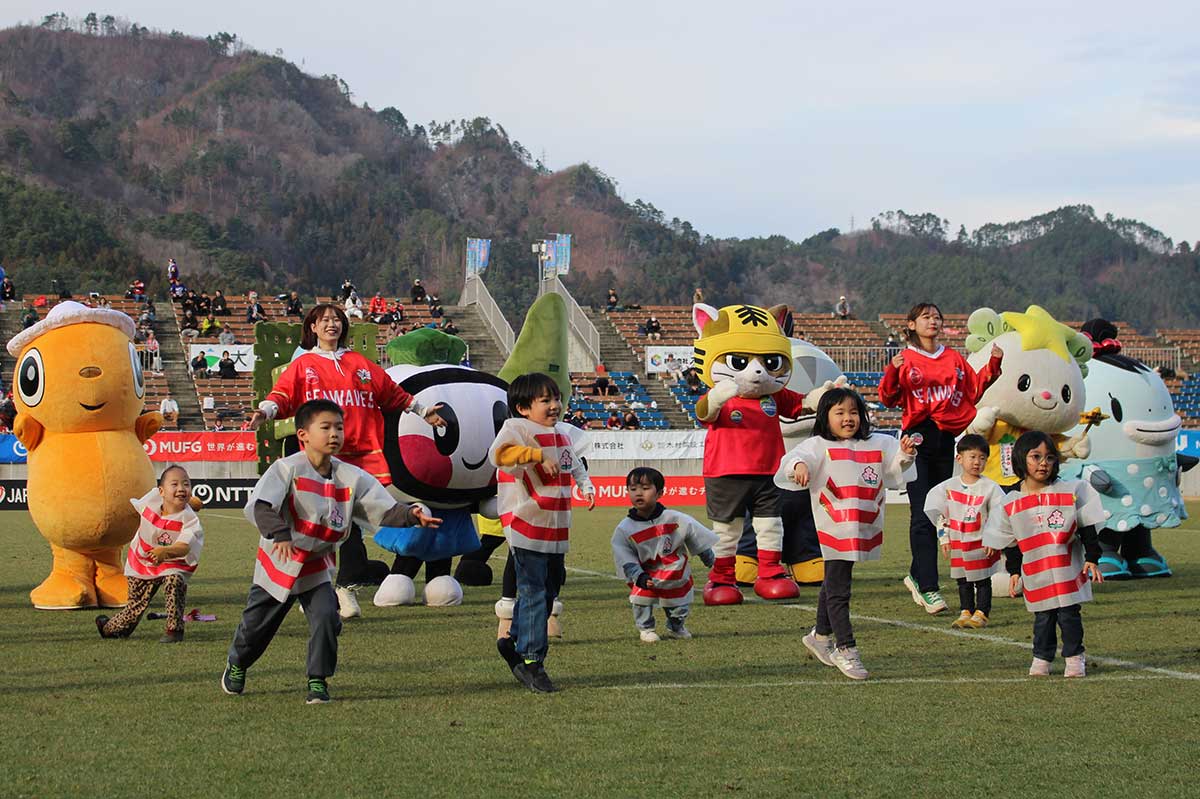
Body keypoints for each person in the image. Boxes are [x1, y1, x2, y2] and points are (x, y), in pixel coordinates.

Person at [222, 399, 441, 703]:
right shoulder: (287, 468)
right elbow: (262, 506)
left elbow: (380, 508)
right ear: (303, 435)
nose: (334, 433)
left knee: (326, 616)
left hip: (317, 564)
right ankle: (238, 663)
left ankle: (317, 680)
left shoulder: (351, 476)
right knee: (257, 626)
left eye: (339, 426)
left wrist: (410, 515)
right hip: (280, 561)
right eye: (325, 427)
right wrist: (281, 534)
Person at [249, 304, 446, 617]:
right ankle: (320, 587)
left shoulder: (360, 364)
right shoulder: (303, 365)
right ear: (312, 327)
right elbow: (283, 395)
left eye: (337, 319)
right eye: (324, 319)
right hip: (319, 459)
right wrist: (266, 410)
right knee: (320, 524)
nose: (332, 324)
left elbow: (392, 394)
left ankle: (341, 587)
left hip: (362, 457)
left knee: (350, 522)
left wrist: (424, 411)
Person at [777, 387, 917, 680]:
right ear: (825, 417)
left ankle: (820, 635)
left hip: (862, 523)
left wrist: (905, 453)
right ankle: (846, 647)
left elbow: (895, 468)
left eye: (853, 412)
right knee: (840, 587)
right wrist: (799, 466)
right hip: (834, 526)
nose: (848, 418)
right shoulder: (817, 445)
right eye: (839, 412)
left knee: (835, 579)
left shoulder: (877, 442)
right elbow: (794, 460)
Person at [878, 302, 1003, 616]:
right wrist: (893, 369)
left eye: (937, 316)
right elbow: (887, 398)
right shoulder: (905, 358)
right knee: (921, 511)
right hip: (916, 437)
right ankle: (928, 587)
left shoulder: (953, 357)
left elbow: (973, 389)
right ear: (911, 324)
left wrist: (994, 363)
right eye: (925, 317)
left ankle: (918, 574)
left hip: (946, 438)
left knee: (937, 511)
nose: (933, 321)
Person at [489, 373, 595, 693]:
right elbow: (499, 455)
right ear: (522, 407)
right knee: (534, 591)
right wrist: (534, 455)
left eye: (556, 399)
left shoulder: (561, 434)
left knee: (548, 592)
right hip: (526, 525)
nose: (554, 406)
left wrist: (586, 486)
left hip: (556, 528)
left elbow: (573, 463)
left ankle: (514, 641)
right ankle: (534, 661)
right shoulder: (516, 429)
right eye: (545, 400)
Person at [983, 431, 1105, 678]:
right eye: (1035, 457)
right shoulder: (1012, 501)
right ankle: (1042, 657)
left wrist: (1092, 557)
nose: (1043, 463)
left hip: (1066, 568)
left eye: (1049, 458)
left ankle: (1074, 657)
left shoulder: (1071, 491)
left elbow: (1087, 526)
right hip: (1036, 571)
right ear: (1020, 459)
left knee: (1069, 614)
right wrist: (1015, 571)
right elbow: (1011, 541)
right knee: (1043, 616)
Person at [95, 466, 203, 643]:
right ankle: (109, 628)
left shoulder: (191, 521)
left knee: (174, 580)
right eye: (175, 484)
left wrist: (165, 552)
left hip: (173, 561)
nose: (182, 488)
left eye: (186, 484)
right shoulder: (152, 499)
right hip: (142, 560)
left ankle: (174, 630)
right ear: (161, 491)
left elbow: (183, 547)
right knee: (134, 608)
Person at [611, 467, 718, 642]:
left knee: (678, 605)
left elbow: (695, 537)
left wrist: (709, 559)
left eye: (645, 489)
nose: (639, 493)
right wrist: (638, 575)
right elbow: (624, 554)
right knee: (641, 601)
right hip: (646, 574)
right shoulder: (625, 528)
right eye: (633, 489)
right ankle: (646, 629)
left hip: (674, 571)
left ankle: (676, 625)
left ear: (659, 493)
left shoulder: (675, 518)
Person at [923, 434, 1005, 629]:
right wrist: (944, 539)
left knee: (983, 580)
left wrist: (993, 539)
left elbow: (998, 514)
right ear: (959, 458)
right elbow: (940, 514)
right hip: (959, 542)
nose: (977, 462)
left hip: (980, 542)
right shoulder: (947, 487)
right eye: (973, 457)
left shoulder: (990, 488)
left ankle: (982, 612)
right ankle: (966, 610)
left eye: (982, 458)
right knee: (962, 580)